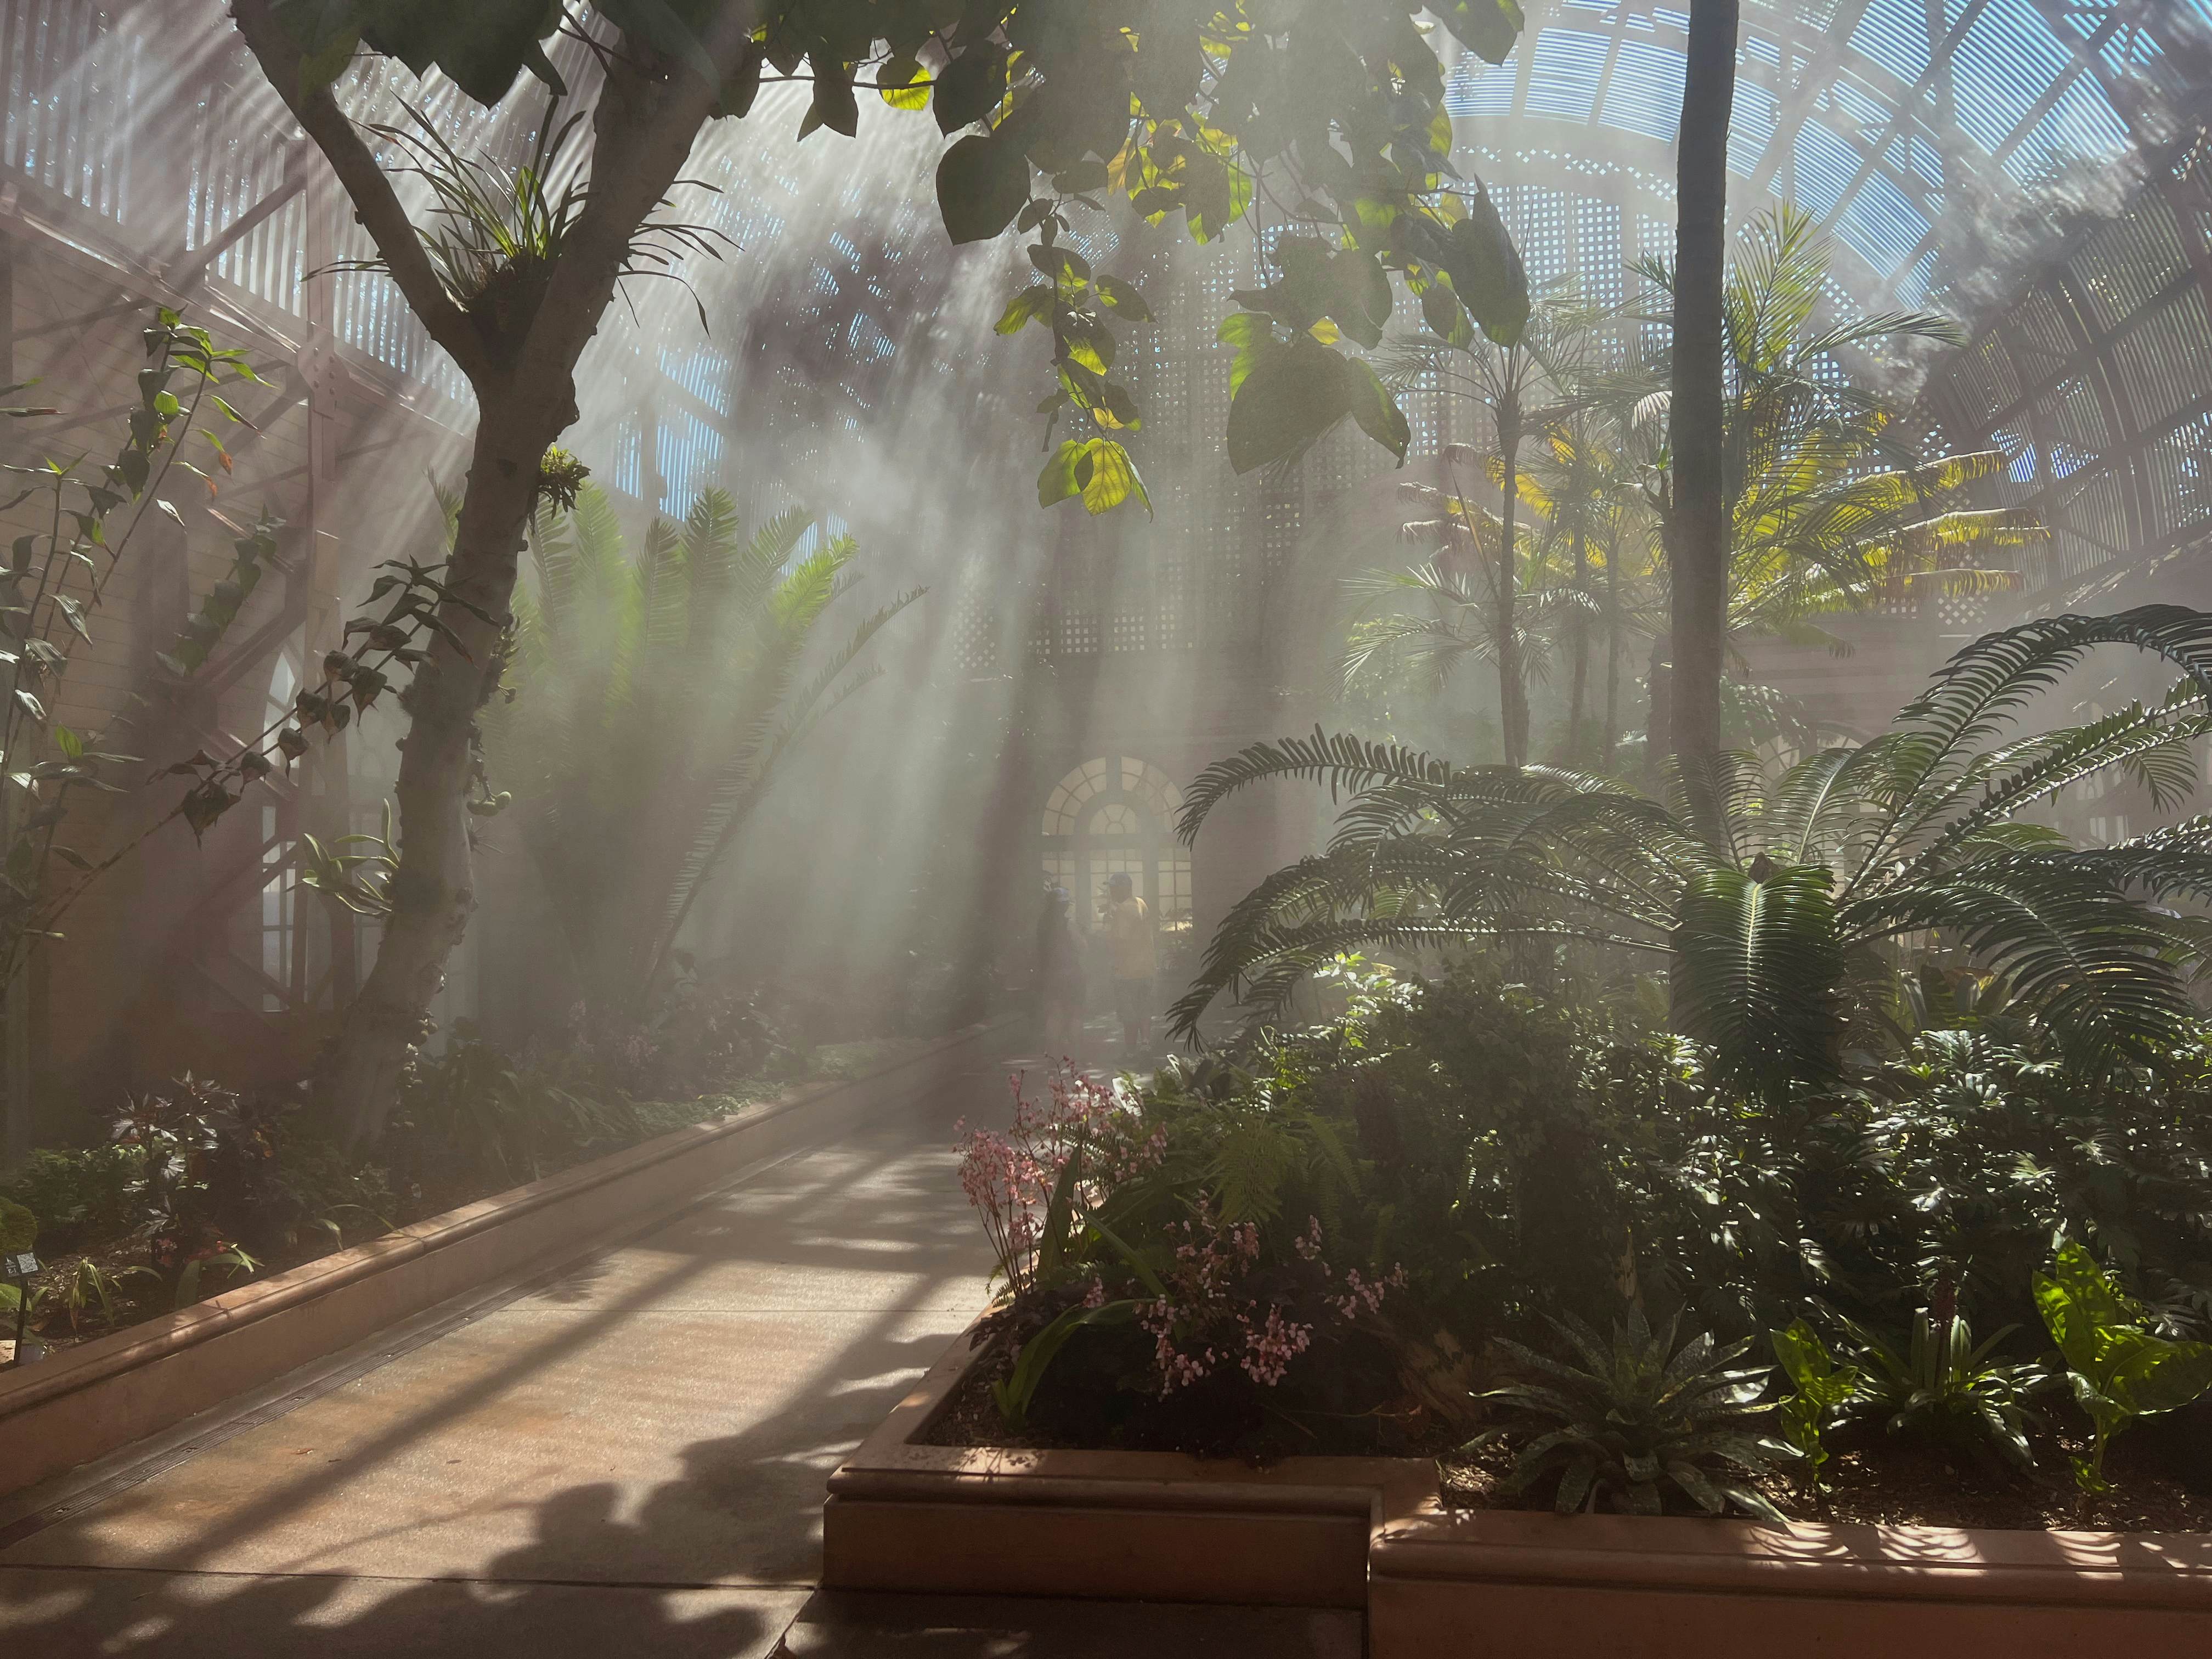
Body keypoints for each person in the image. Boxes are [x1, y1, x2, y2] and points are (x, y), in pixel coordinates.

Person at [1101, 871, 1156, 1054]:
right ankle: (1146, 1043)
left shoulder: (1123, 910)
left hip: (1127, 970)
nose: (1112, 892)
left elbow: (1120, 941)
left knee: (1128, 1013)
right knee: (1144, 1008)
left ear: (1124, 888)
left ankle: (1130, 1051)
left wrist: (1107, 930)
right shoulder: (1141, 903)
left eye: (1114, 888)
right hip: (1147, 967)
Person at [1036, 882, 1084, 1054]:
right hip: (1071, 973)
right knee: (1075, 1013)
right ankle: (1075, 1053)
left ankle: (1052, 1052)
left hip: (1050, 974)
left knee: (1054, 1014)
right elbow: (1082, 947)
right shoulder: (1069, 924)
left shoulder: (1042, 925)